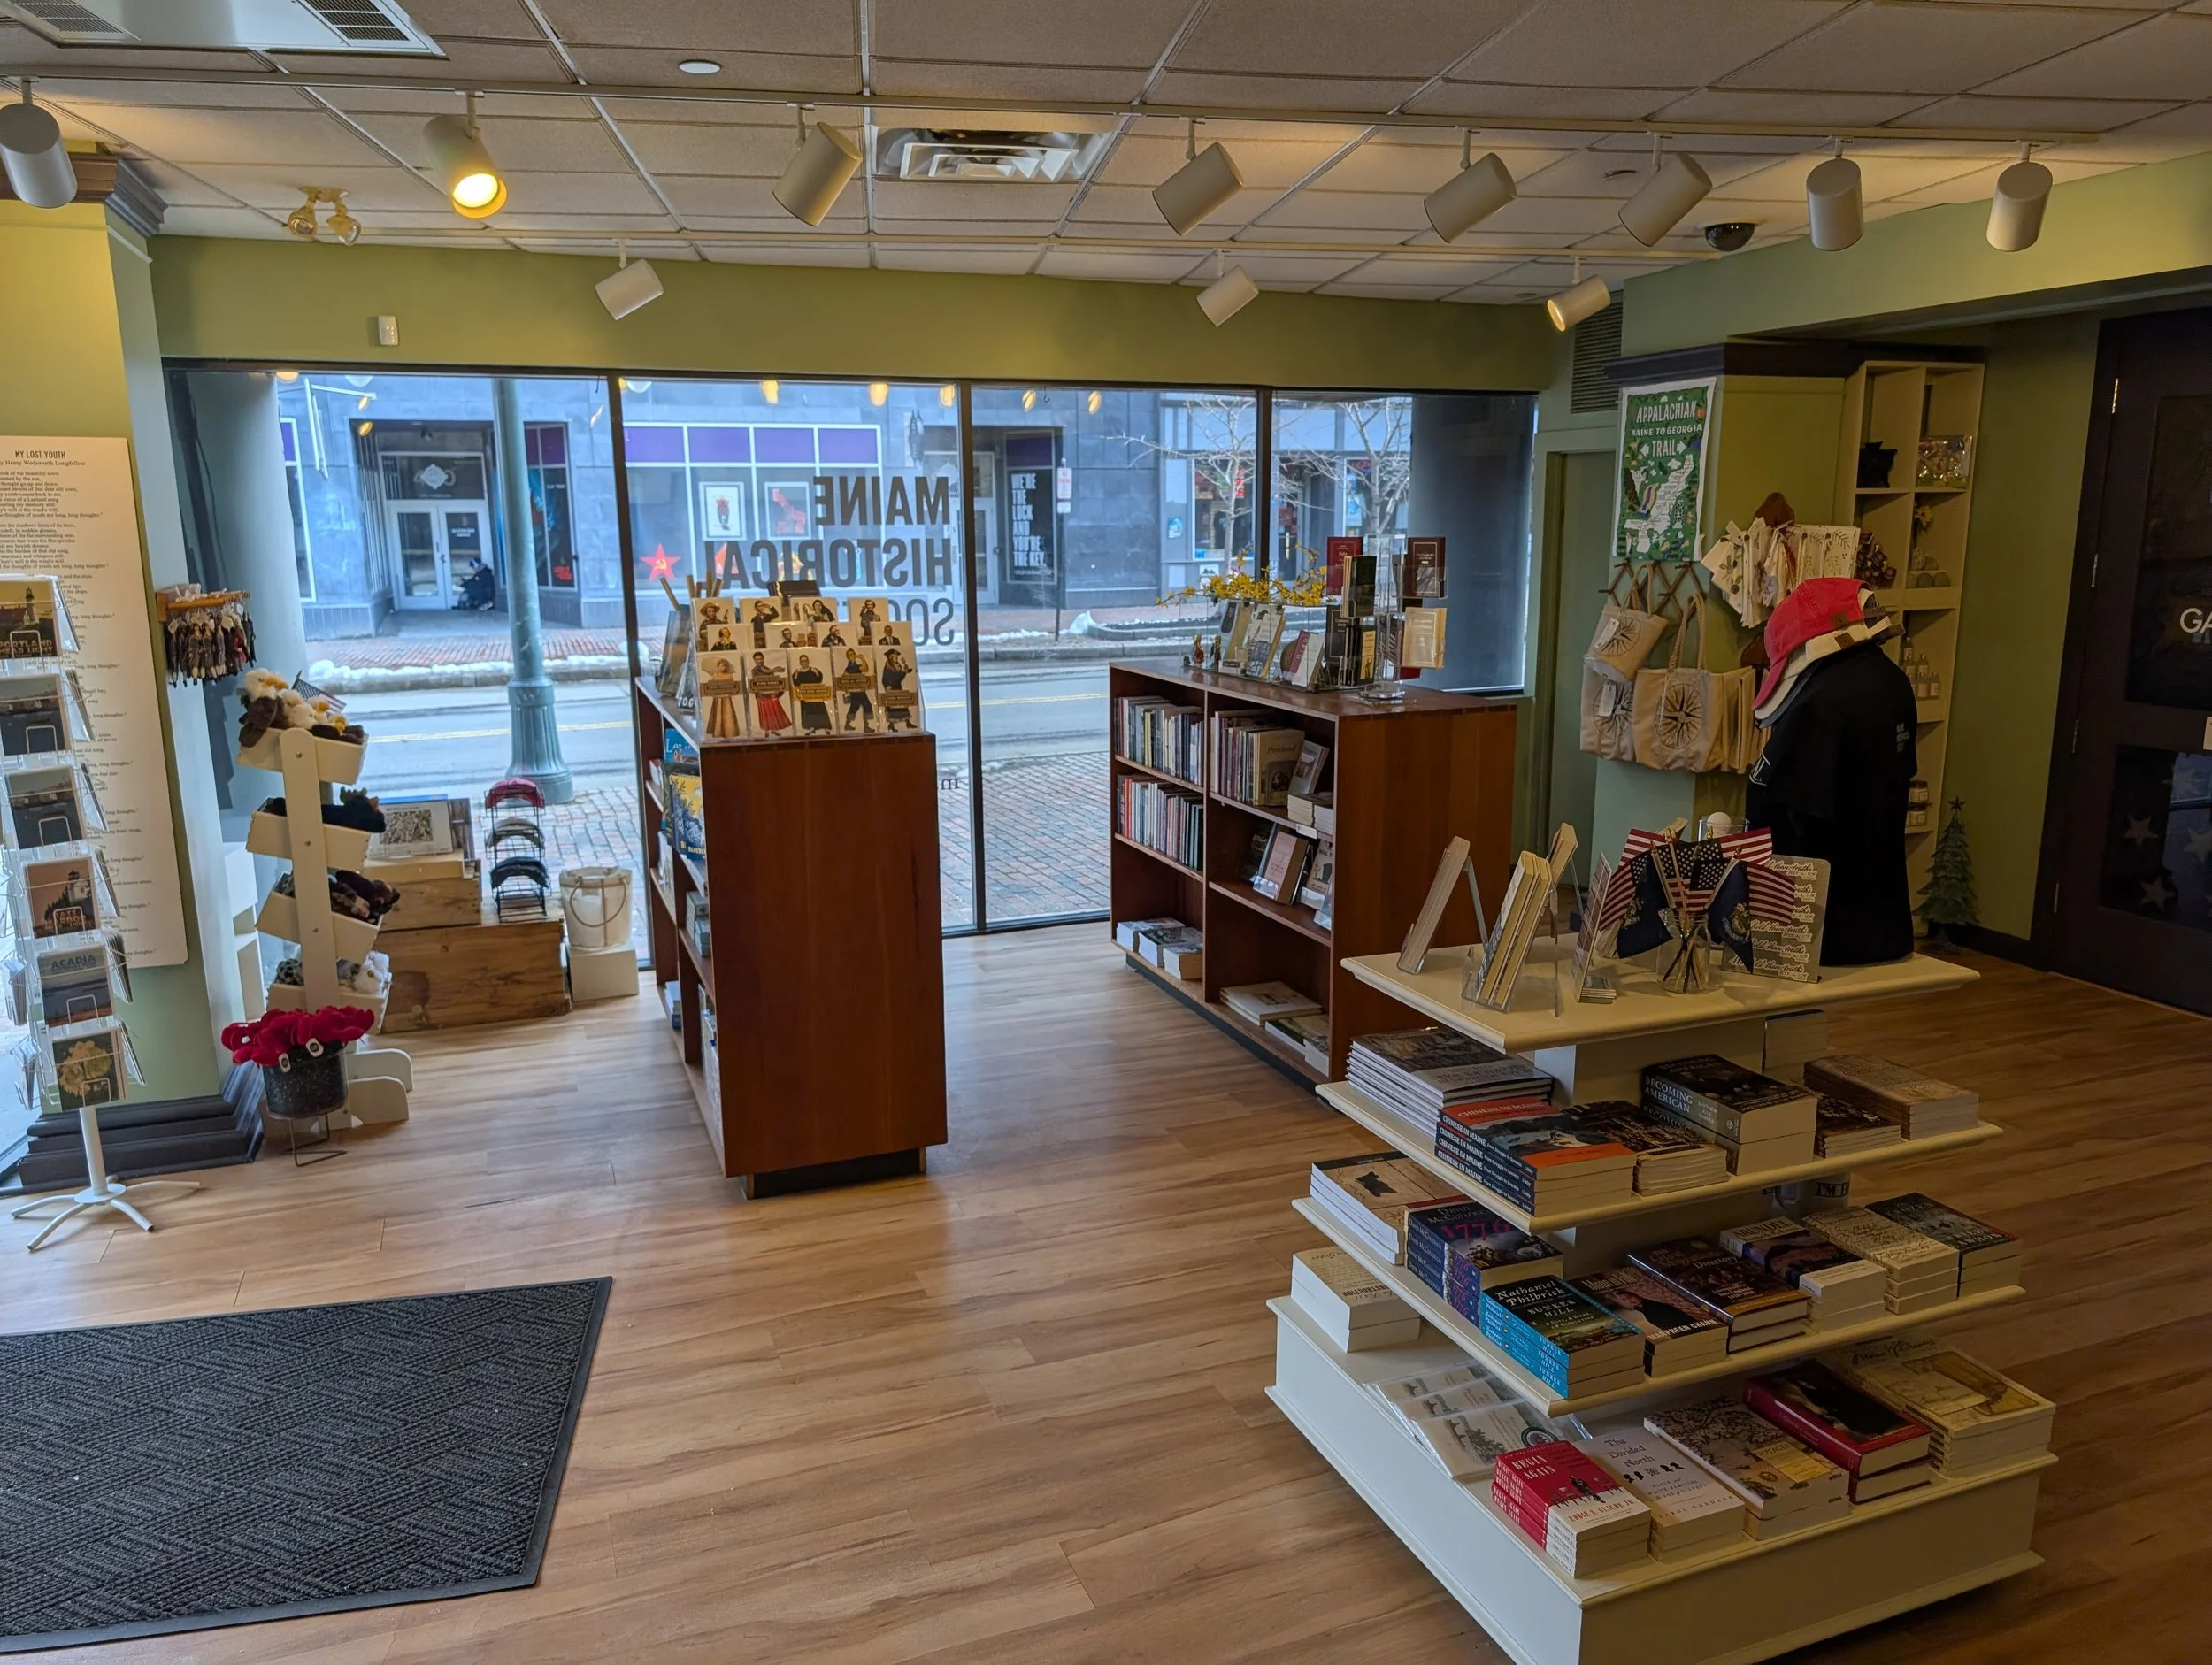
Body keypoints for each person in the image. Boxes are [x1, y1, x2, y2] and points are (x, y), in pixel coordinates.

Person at [1745, 579, 1916, 965]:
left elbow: (1792, 808)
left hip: (1815, 929)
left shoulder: (1822, 702)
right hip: (1879, 921)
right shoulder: (1894, 683)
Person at [748, 650, 791, 736]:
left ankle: (773, 729)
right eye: (757, 659)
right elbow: (756, 683)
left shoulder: (767, 668)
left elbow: (773, 680)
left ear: (763, 659)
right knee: (765, 713)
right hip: (762, 695)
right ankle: (767, 731)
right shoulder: (754, 670)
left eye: (761, 659)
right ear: (755, 661)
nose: (759, 661)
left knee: (773, 712)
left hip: (771, 694)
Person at [790, 651, 834, 733]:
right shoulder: (797, 672)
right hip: (804, 696)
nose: (804, 662)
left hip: (815, 695)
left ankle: (825, 727)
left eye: (806, 660)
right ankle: (811, 727)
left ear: (808, 661)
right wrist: (795, 676)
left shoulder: (813, 669)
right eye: (802, 661)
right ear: (800, 662)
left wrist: (817, 672)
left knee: (820, 710)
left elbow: (819, 680)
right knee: (808, 711)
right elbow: (796, 684)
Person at [839, 648, 878, 733]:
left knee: (855, 706)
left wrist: (861, 658)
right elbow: (843, 678)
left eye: (853, 654)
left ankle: (848, 724)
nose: (851, 656)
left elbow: (865, 668)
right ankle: (865, 726)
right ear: (847, 657)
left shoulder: (854, 666)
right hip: (856, 691)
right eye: (849, 655)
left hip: (860, 689)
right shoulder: (850, 667)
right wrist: (847, 688)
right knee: (866, 705)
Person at [879, 646, 918, 732]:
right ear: (890, 657)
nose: (896, 658)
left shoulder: (898, 665)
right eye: (894, 656)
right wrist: (887, 686)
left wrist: (904, 672)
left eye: (897, 656)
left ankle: (908, 722)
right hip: (892, 688)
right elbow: (886, 678)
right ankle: (891, 725)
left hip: (898, 686)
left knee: (902, 703)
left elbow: (900, 677)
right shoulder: (888, 666)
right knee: (892, 706)